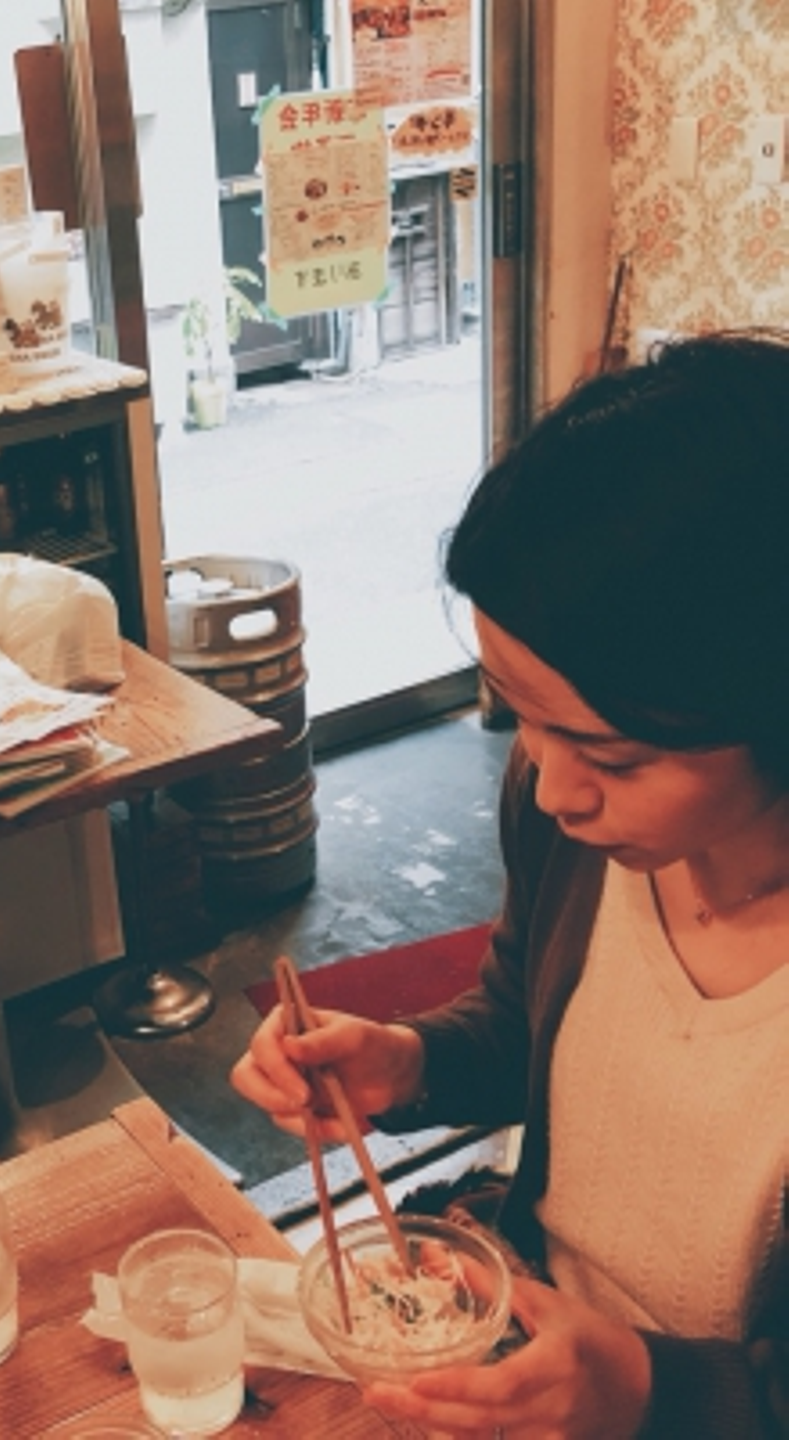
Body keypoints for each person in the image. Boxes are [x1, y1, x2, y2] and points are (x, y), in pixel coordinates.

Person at [232, 330, 788, 1439]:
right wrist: (406, 1063)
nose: (553, 789)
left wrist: (647, 1390)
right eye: (522, 713)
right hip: (514, 1346)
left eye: (613, 755)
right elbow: (528, 1027)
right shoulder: (574, 830)